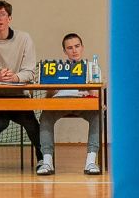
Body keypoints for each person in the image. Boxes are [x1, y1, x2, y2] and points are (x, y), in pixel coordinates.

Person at [33, 31, 104, 176]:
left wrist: (88, 83)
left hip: (82, 101)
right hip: (60, 101)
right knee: (45, 116)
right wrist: (50, 86)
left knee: (98, 114)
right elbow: (49, 97)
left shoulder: (92, 67)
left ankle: (91, 161)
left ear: (82, 47)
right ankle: (47, 161)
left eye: (77, 46)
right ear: (65, 51)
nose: (74, 50)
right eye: (70, 48)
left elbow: (96, 95)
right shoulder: (57, 69)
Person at [0, 0, 40, 169]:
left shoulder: (24, 38)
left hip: (19, 97)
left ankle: (44, 160)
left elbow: (30, 71)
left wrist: (15, 77)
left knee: (33, 126)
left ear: (9, 18)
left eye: (2, 15)